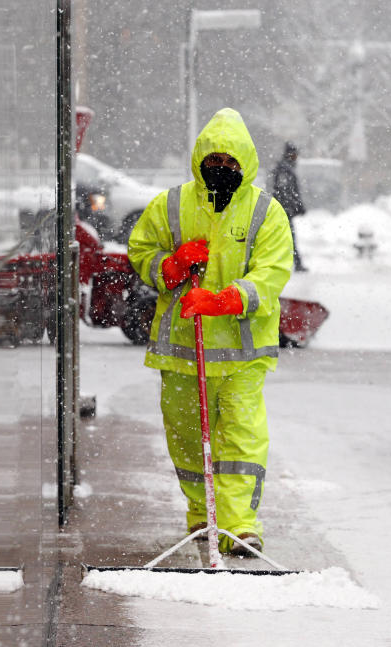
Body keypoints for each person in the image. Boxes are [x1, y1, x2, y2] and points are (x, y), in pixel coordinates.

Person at [128, 108, 293, 557]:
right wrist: (172, 264)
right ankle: (202, 515)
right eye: (214, 160)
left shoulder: (266, 212)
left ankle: (239, 525)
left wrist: (226, 300)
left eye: (231, 162)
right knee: (185, 436)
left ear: (246, 163)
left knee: (240, 438)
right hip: (182, 347)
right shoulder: (172, 204)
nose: (221, 169)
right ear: (200, 160)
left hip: (242, 351)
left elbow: (274, 271)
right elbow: (141, 249)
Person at [269, 141, 307, 271]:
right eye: (294, 156)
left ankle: (291, 263)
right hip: (282, 210)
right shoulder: (284, 170)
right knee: (287, 237)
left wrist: (298, 205)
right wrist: (292, 206)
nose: (296, 159)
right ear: (289, 155)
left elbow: (289, 191)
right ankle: (294, 263)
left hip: (284, 209)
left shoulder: (285, 169)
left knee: (285, 237)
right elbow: (284, 191)